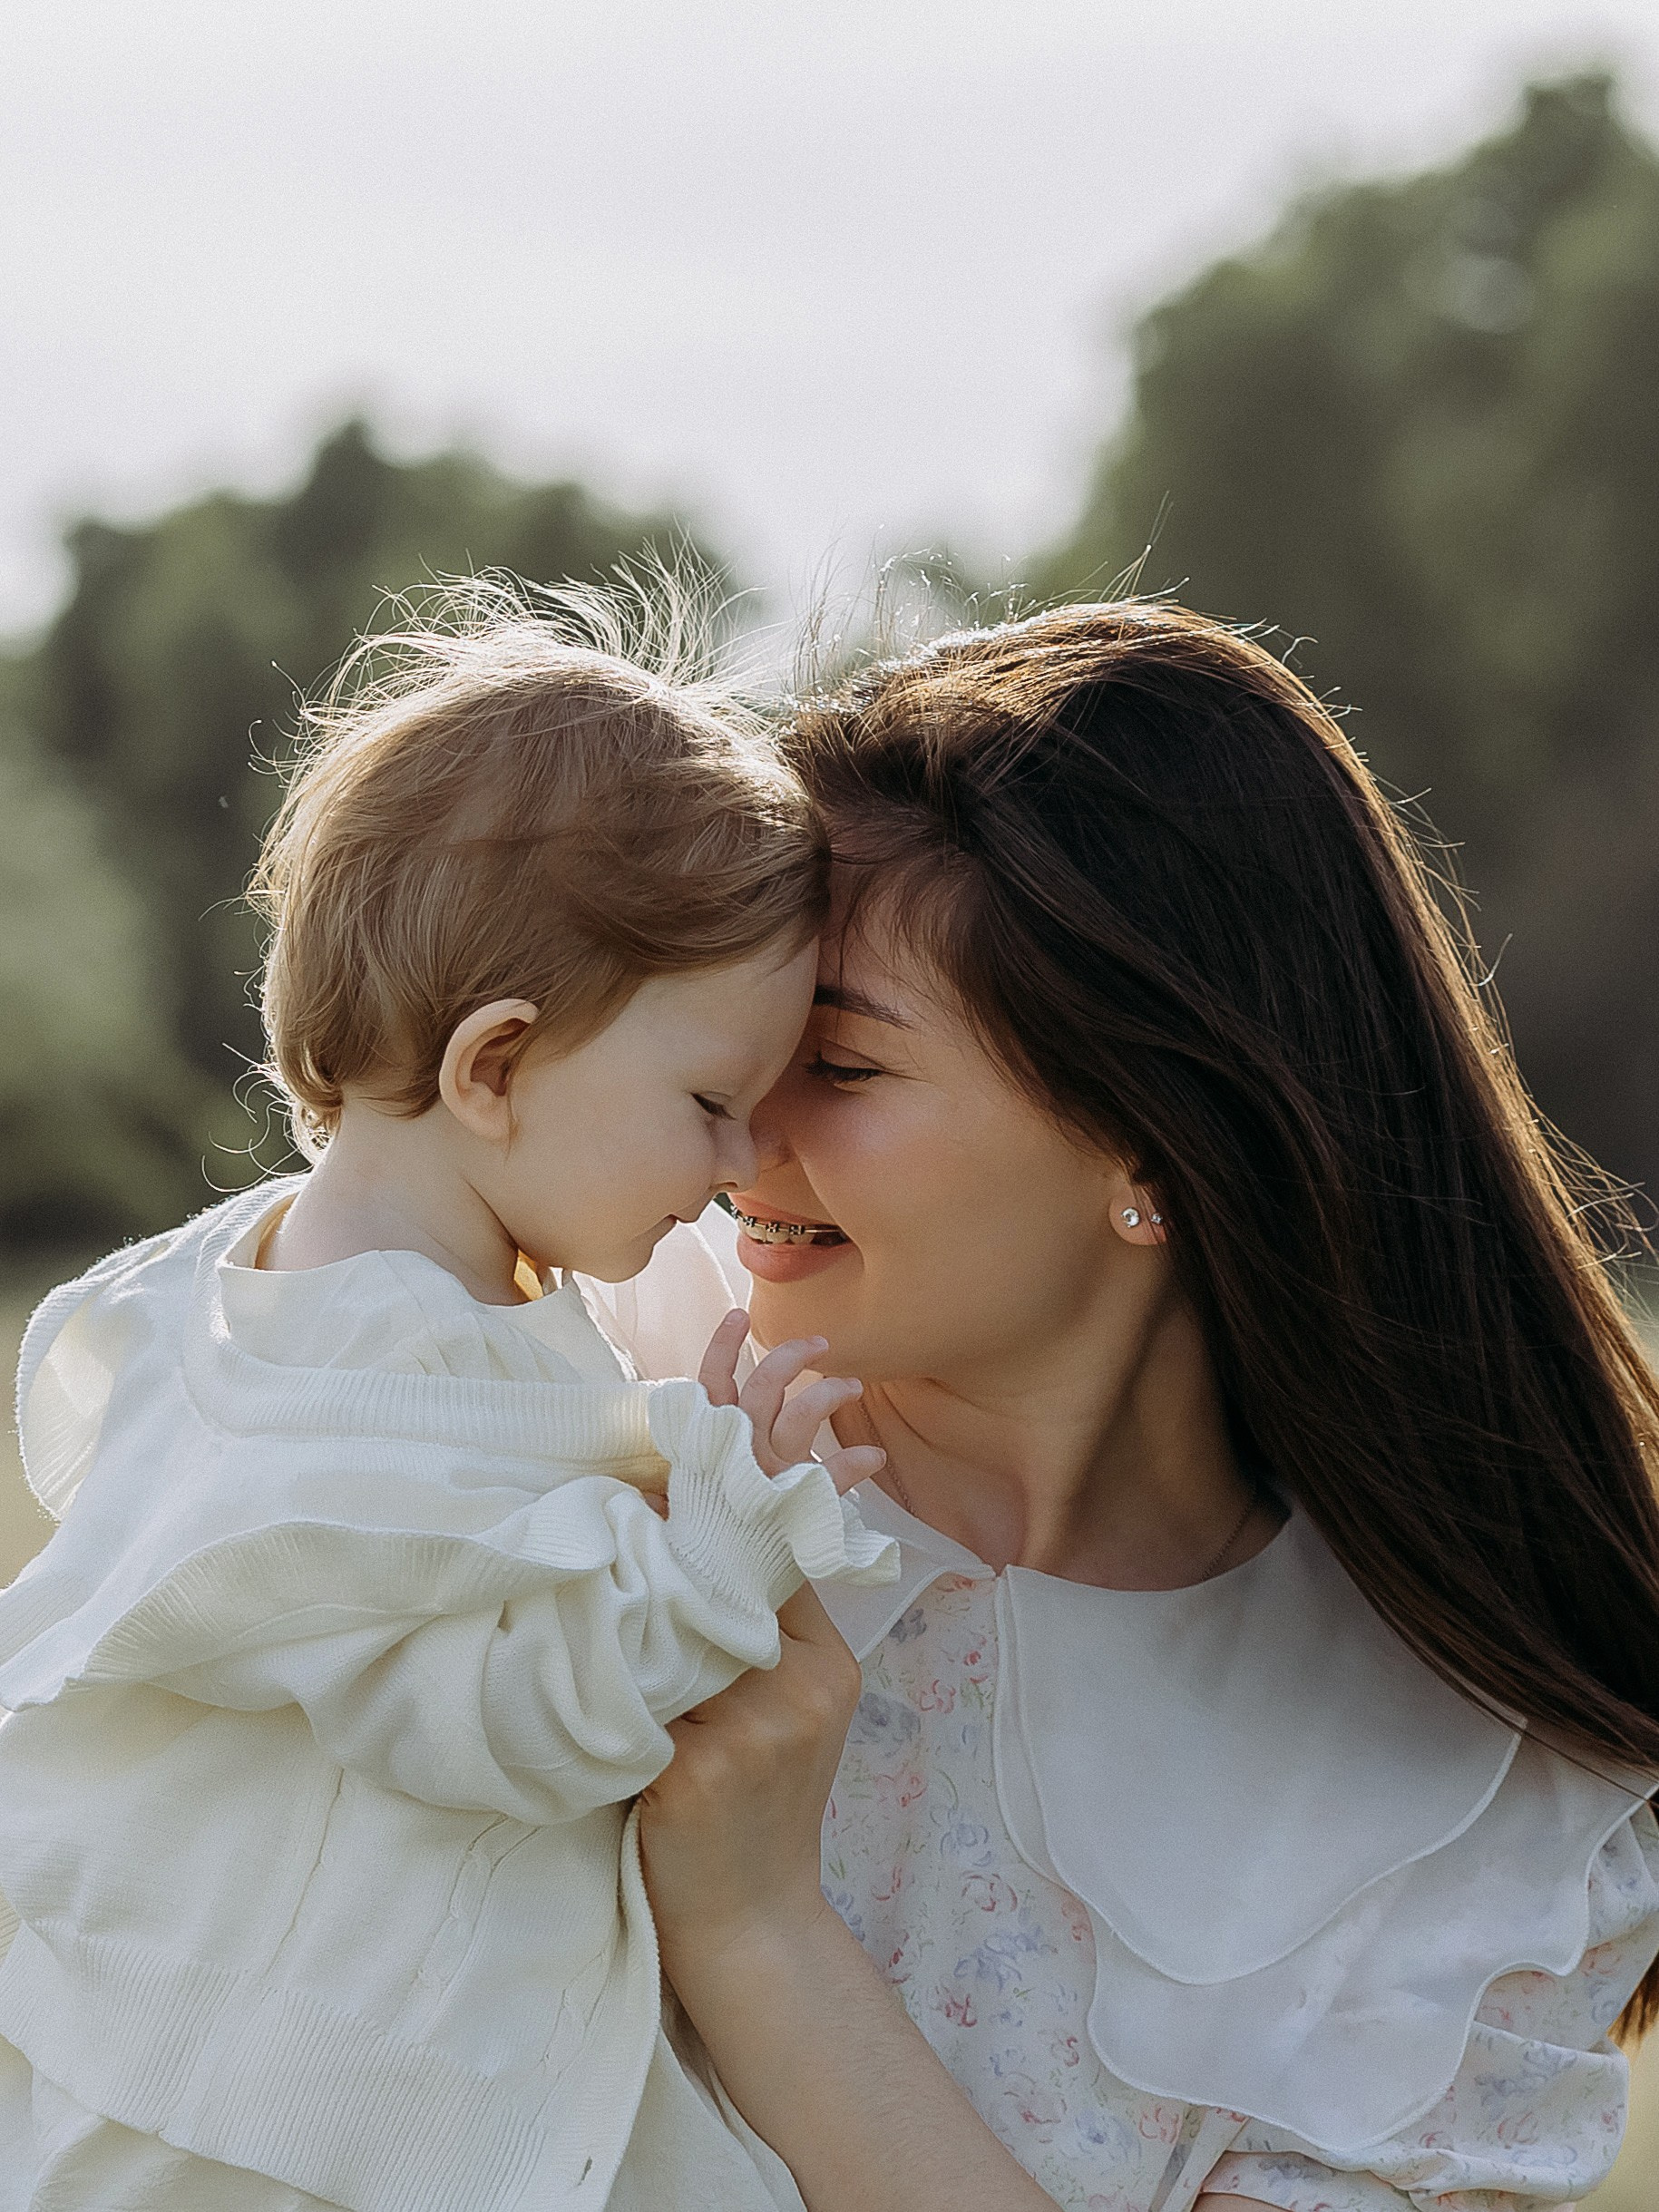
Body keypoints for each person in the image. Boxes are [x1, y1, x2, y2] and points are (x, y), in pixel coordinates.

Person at [611, 601, 1659, 2212]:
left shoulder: (1478, 1812)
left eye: (842, 1060)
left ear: (1154, 1144)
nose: (744, 1123)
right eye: (742, 1034)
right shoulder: (576, 1401)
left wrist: (760, 1937)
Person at [0, 597, 899, 2212]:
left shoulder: (282, 1291)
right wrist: (718, 1544)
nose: (733, 1168)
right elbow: (493, 1717)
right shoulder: (369, 1383)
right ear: (494, 1065)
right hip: (293, 2103)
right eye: (707, 1105)